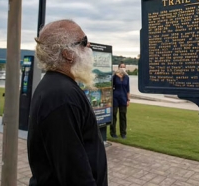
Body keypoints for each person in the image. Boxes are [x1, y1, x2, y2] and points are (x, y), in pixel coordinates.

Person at [27, 19, 108, 186]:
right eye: (84, 42)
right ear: (68, 54)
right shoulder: (62, 96)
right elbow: (74, 176)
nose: (89, 45)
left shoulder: (57, 86)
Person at [110, 62, 130, 139]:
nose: (122, 68)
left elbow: (128, 89)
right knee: (114, 115)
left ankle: (123, 133)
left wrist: (128, 99)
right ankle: (113, 132)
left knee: (123, 116)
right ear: (118, 68)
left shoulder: (127, 77)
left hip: (123, 98)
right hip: (115, 97)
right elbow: (111, 87)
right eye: (121, 67)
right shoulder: (115, 76)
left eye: (124, 67)